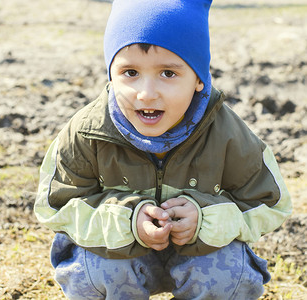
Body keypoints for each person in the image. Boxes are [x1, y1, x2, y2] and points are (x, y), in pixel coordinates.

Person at [34, 0, 292, 299]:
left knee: (227, 274)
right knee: (95, 272)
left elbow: (270, 204)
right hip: (120, 256)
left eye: (168, 73)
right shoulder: (88, 131)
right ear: (111, 74)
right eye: (130, 72)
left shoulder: (227, 134)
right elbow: (56, 206)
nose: (146, 93)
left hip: (202, 256)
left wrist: (206, 218)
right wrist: (127, 220)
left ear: (198, 79)